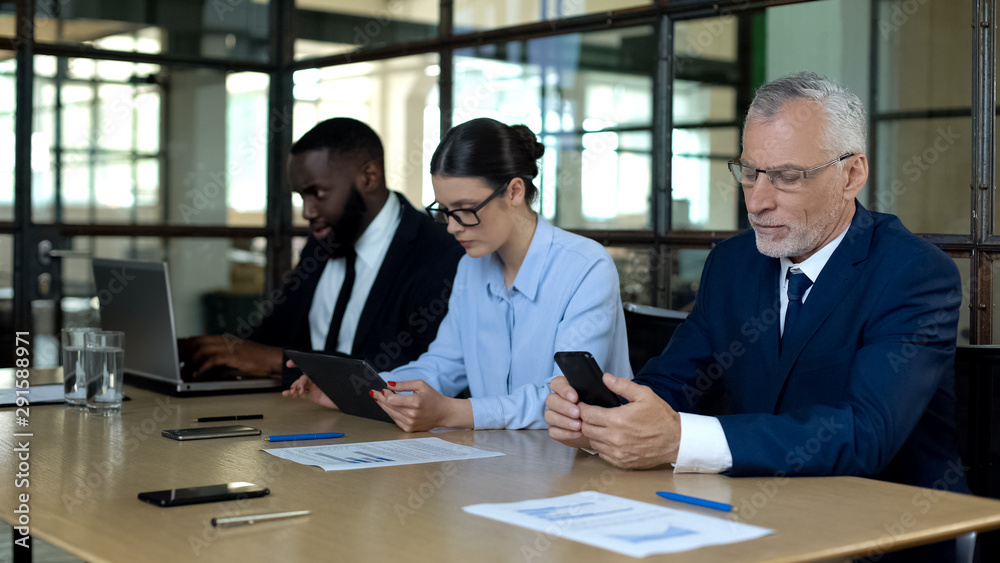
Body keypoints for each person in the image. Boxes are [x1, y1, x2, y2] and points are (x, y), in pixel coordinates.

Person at [546, 72, 968, 496]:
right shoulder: (732, 263)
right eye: (749, 173)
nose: (756, 201)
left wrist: (679, 439)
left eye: (787, 176)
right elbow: (676, 387)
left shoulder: (913, 273)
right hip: (751, 509)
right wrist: (604, 417)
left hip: (884, 528)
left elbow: (865, 433)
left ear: (852, 175)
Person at [286, 117, 632, 431]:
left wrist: (454, 413)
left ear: (514, 191)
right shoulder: (472, 266)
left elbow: (564, 400)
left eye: (465, 211)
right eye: (445, 211)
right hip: (496, 461)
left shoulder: (585, 266)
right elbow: (443, 366)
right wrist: (357, 388)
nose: (452, 227)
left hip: (581, 466)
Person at [181, 118, 464, 384]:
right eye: (301, 196)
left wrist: (278, 362)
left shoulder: (440, 251)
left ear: (369, 176)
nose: (307, 212)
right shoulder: (325, 240)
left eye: (317, 193)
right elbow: (270, 335)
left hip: (379, 431)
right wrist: (213, 353)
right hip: (295, 415)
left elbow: (412, 370)